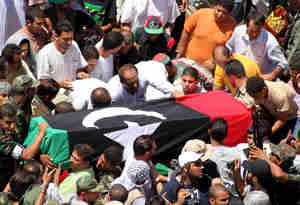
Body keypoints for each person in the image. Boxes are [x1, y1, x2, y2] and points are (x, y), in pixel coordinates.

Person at [226, 11, 288, 80]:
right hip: (237, 77)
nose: (254, 34)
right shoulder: (238, 31)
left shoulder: (270, 41)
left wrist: (272, 75)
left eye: (258, 31)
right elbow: (228, 47)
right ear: (246, 25)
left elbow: (282, 63)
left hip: (258, 80)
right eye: (251, 31)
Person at [0, 103, 48, 190]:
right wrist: (41, 133)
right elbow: (26, 155)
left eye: (14, 122)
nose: (12, 126)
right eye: (8, 122)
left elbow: (21, 148)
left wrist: (38, 156)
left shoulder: (9, 130)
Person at [176, 0, 236, 66]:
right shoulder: (201, 14)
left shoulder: (232, 25)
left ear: (229, 14)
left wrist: (214, 61)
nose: (220, 15)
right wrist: (180, 51)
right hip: (189, 60)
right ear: (214, 6)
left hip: (210, 67)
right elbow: (186, 31)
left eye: (224, 13)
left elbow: (229, 47)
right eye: (218, 10)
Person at [245, 76, 300, 143]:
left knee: (292, 143)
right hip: (275, 114)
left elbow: (282, 120)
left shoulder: (279, 96)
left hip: (293, 116)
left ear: (264, 89)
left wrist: (266, 136)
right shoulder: (257, 90)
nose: (255, 100)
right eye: (253, 97)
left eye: (256, 97)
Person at [37, 20, 88, 89]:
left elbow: (79, 68)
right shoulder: (44, 53)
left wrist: (80, 74)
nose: (69, 43)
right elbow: (43, 81)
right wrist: (59, 85)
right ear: (55, 36)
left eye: (71, 39)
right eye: (65, 39)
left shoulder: (74, 45)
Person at [208, 118, 242, 205]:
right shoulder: (236, 152)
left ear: (209, 132)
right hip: (234, 195)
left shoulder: (203, 154)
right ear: (226, 134)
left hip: (214, 197)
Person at [108, 63, 179, 104]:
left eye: (136, 81)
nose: (135, 85)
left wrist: (174, 92)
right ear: (123, 82)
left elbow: (161, 84)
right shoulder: (114, 92)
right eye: (131, 83)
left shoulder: (145, 75)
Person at [8, 75, 38, 141]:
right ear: (27, 91)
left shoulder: (27, 102)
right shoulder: (14, 111)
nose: (35, 91)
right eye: (33, 89)